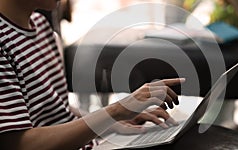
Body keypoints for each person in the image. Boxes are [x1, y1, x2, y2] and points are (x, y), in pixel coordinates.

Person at [0, 0, 184, 149]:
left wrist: (110, 122)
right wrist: (115, 111)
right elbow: (17, 144)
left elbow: (55, 109)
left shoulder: (42, 26)